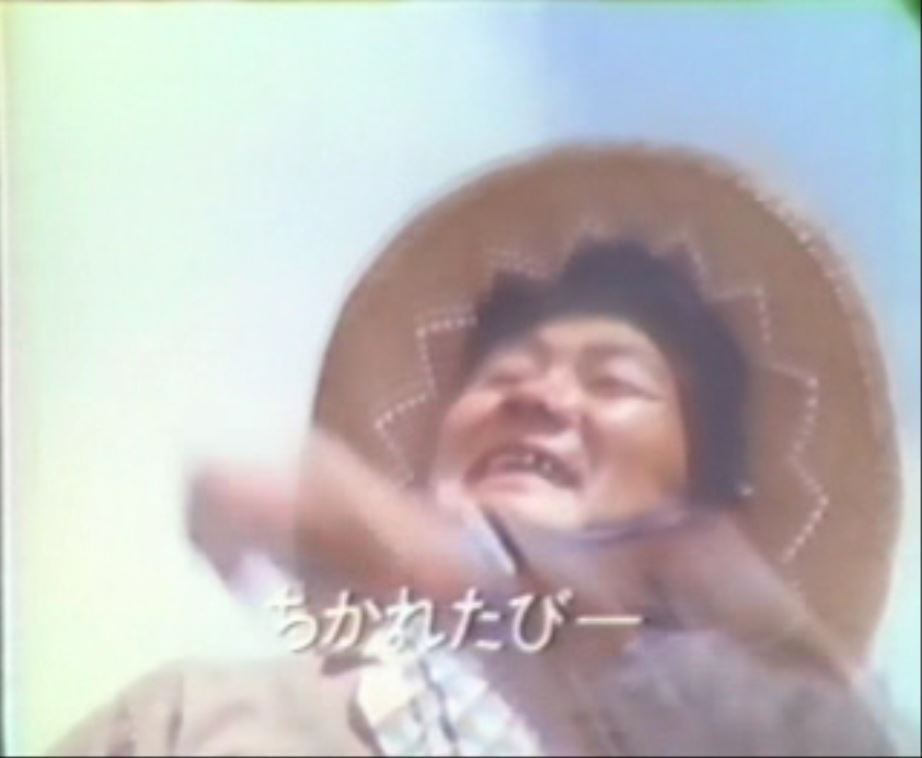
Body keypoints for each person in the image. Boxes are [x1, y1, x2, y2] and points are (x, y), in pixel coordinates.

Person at [51, 147, 902, 756]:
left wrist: (449, 570)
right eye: (506, 376)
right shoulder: (194, 725)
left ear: (698, 516)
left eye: (612, 383)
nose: (540, 398)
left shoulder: (774, 730)